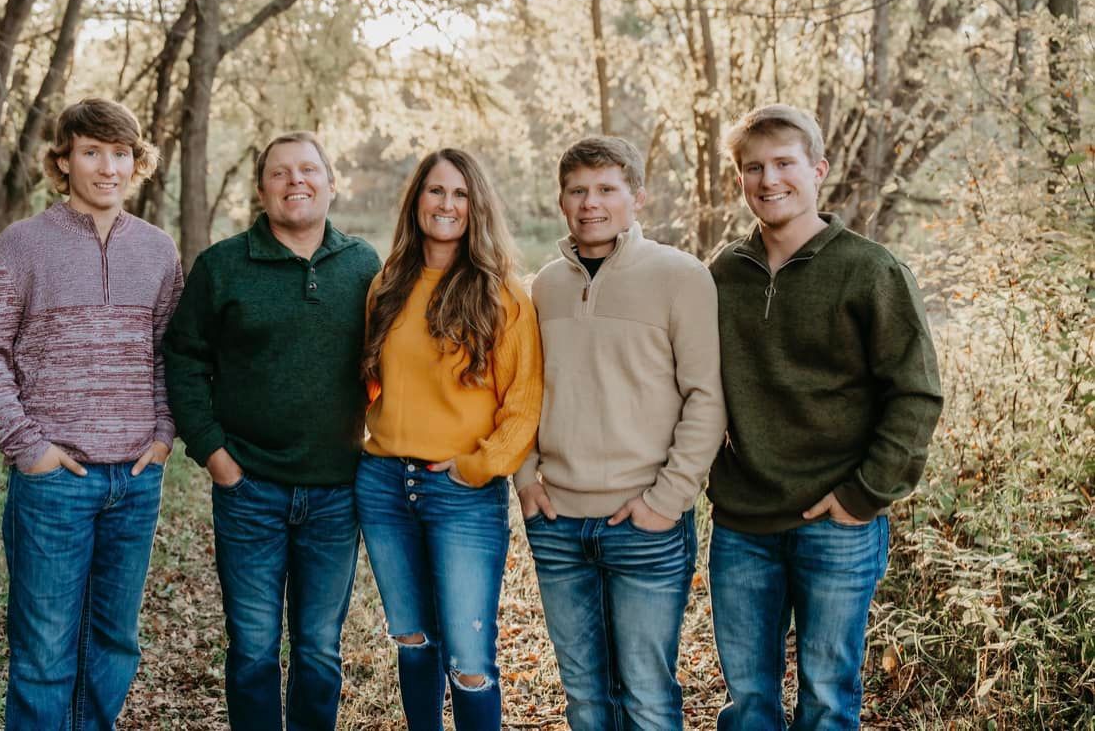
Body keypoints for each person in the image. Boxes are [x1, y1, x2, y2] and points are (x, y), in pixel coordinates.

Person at [707, 104, 943, 730]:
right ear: (739, 180)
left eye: (784, 163)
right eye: (752, 168)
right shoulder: (723, 273)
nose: (768, 179)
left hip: (836, 524)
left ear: (818, 169)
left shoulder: (869, 270)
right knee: (748, 700)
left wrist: (864, 495)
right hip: (742, 523)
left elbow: (915, 393)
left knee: (827, 697)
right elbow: (691, 386)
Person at [0, 98, 182, 728]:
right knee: (43, 652)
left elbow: (169, 352)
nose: (107, 167)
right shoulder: (23, 245)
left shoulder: (158, 250)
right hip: (56, 482)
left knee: (114, 643)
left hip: (136, 481)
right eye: (91, 152)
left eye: (120, 154)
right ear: (64, 161)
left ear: (136, 162)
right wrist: (28, 448)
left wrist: (165, 433)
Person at [162, 131, 380, 731]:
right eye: (280, 173)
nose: (295, 183)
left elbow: (394, 361)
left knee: (317, 650)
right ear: (261, 190)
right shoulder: (222, 266)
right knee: (254, 649)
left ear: (332, 184)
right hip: (249, 490)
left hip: (336, 491)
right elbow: (182, 359)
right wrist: (214, 453)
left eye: (308, 170)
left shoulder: (364, 265)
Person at [513, 135, 726, 731]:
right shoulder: (546, 286)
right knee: (584, 698)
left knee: (647, 698)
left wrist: (666, 501)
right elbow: (523, 392)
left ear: (636, 195)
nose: (592, 203)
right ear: (561, 201)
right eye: (578, 191)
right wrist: (526, 476)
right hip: (556, 524)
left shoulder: (680, 276)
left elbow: (707, 398)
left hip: (644, 524)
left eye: (607, 189)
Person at [356, 148, 542, 731]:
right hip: (385, 486)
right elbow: (372, 380)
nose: (447, 204)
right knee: (412, 641)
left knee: (468, 663)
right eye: (436, 191)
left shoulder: (502, 294)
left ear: (476, 206)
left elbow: (524, 402)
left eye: (460, 194)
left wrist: (477, 467)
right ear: (416, 201)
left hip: (462, 492)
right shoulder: (386, 284)